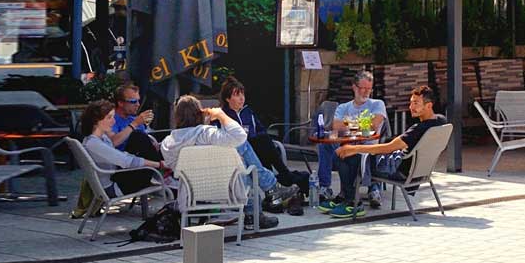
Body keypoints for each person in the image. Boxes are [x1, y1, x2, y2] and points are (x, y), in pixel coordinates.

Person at [160, 95, 278, 230]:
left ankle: (267, 189)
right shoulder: (206, 134)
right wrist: (221, 115)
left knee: (240, 153)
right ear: (200, 113)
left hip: (190, 194)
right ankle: (265, 195)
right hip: (226, 191)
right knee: (243, 158)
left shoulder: (168, 144)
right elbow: (240, 135)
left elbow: (171, 167)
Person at [329, 85, 447, 218]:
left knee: (344, 156)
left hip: (399, 171)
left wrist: (353, 148)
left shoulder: (418, 129)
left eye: (416, 103)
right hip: (419, 172)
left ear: (429, 105)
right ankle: (347, 196)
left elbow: (388, 147)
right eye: (410, 102)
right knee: (357, 157)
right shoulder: (441, 121)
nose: (411, 107)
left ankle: (351, 202)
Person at [219, 77, 309, 205]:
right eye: (237, 95)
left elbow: (261, 129)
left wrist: (253, 137)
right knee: (262, 142)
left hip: (256, 150)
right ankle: (282, 180)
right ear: (227, 99)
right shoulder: (222, 116)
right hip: (237, 153)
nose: (241, 98)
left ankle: (274, 194)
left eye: (242, 94)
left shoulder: (247, 112)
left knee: (263, 140)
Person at [312, 70, 387, 206]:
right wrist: (361, 123)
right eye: (362, 88)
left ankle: (369, 189)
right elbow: (336, 125)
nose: (365, 92)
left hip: (367, 147)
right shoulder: (343, 107)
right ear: (354, 87)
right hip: (345, 144)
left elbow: (374, 125)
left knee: (347, 153)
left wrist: (348, 123)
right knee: (325, 145)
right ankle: (325, 187)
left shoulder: (377, 104)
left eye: (368, 89)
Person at [77, 99, 166, 197]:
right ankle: (168, 169)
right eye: (109, 118)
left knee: (138, 137)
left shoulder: (100, 137)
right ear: (96, 121)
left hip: (114, 176)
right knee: (139, 137)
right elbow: (127, 161)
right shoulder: (94, 143)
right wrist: (159, 165)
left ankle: (166, 163)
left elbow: (122, 156)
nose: (113, 121)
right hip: (113, 187)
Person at [93, 83, 164, 163]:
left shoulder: (133, 118)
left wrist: (152, 142)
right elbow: (113, 143)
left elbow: (146, 140)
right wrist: (134, 124)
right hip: (124, 164)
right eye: (133, 101)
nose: (138, 104)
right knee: (137, 136)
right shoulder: (111, 119)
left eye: (138, 100)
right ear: (120, 103)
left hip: (142, 161)